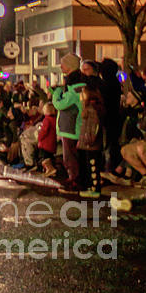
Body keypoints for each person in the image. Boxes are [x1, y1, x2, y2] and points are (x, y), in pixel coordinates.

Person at [52, 53, 85, 193]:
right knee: (74, 156)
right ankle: (76, 179)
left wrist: (56, 93)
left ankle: (74, 182)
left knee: (70, 157)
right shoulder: (80, 86)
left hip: (71, 128)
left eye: (63, 63)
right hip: (73, 127)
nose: (61, 66)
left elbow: (60, 104)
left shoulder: (74, 89)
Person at [77, 85, 105, 198]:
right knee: (88, 166)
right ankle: (90, 187)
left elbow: (94, 127)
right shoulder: (88, 108)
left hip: (90, 145)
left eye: (83, 94)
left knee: (93, 167)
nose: (80, 96)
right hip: (86, 144)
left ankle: (95, 188)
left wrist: (89, 140)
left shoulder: (91, 109)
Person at [37, 102, 58, 178]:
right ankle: (50, 171)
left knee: (44, 158)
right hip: (52, 143)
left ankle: (50, 169)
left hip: (45, 143)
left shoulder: (47, 119)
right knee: (50, 157)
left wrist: (39, 137)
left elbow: (44, 131)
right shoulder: (55, 119)